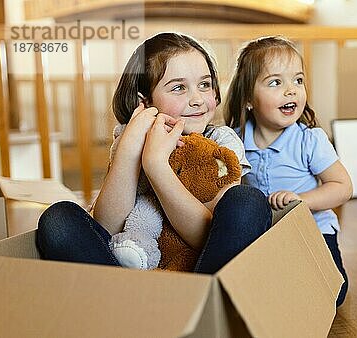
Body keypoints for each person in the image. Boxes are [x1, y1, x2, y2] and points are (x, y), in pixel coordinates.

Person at [36, 32, 272, 274]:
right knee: (57, 218)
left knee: (248, 200)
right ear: (145, 102)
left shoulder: (221, 142)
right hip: (135, 274)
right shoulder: (128, 139)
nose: (198, 99)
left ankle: (200, 304)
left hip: (198, 274)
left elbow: (205, 237)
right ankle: (123, 301)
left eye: (205, 84)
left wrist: (156, 165)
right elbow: (106, 227)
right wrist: (129, 149)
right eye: (179, 88)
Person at [224, 36, 353, 306]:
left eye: (298, 80)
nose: (291, 90)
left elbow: (342, 187)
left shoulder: (309, 140)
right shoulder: (235, 142)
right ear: (249, 98)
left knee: (334, 293)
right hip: (266, 237)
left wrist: (302, 201)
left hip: (314, 231)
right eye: (275, 82)